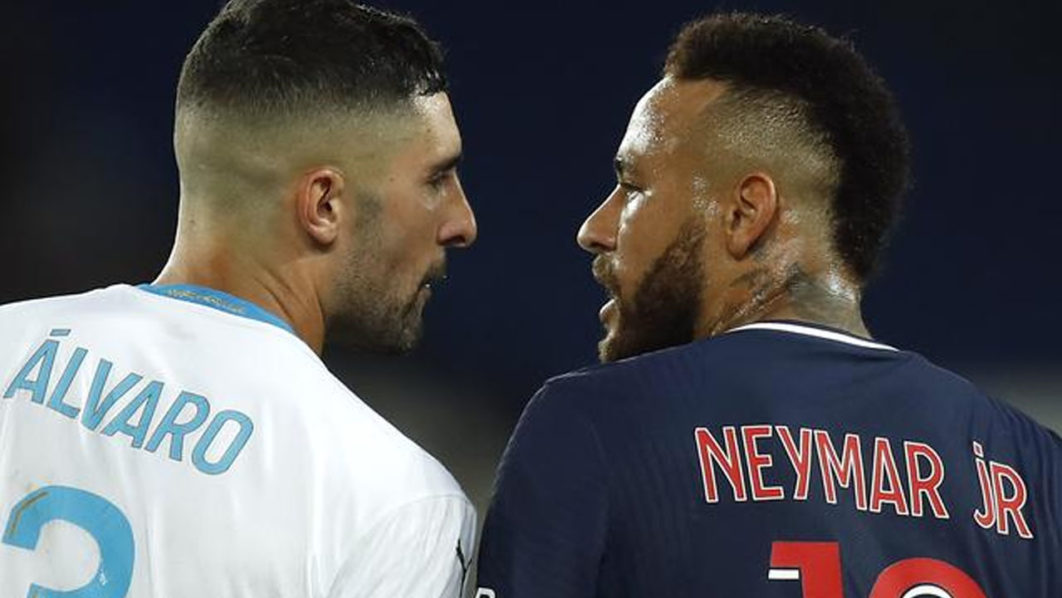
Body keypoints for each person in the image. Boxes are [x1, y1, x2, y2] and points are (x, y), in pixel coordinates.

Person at [476, 12, 1061, 598]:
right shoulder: (1038, 471)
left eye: (632, 188)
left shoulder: (594, 425)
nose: (594, 228)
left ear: (745, 213)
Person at [0, 1, 478, 596]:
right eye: (436, 178)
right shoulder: (399, 504)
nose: (462, 222)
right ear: (324, 205)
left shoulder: (9, 343)